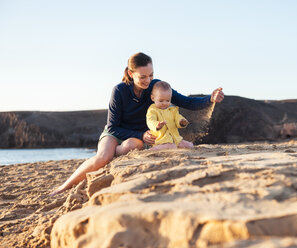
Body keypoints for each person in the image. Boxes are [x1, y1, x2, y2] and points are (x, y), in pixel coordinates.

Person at [51, 52, 224, 195]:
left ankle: (118, 152)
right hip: (115, 133)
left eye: (151, 75)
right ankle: (63, 186)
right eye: (142, 76)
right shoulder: (119, 91)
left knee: (132, 145)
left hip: (141, 138)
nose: (148, 80)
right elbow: (112, 127)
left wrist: (210, 98)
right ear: (130, 73)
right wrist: (140, 134)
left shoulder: (156, 87)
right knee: (103, 157)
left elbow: (187, 102)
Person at [146, 81, 193, 150]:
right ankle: (153, 149)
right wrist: (157, 125)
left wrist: (181, 122)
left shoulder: (172, 110)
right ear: (153, 98)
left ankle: (176, 145)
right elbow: (150, 120)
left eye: (167, 100)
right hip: (161, 140)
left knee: (189, 145)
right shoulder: (152, 110)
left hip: (176, 138)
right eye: (161, 101)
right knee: (171, 146)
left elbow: (178, 117)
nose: (164, 103)